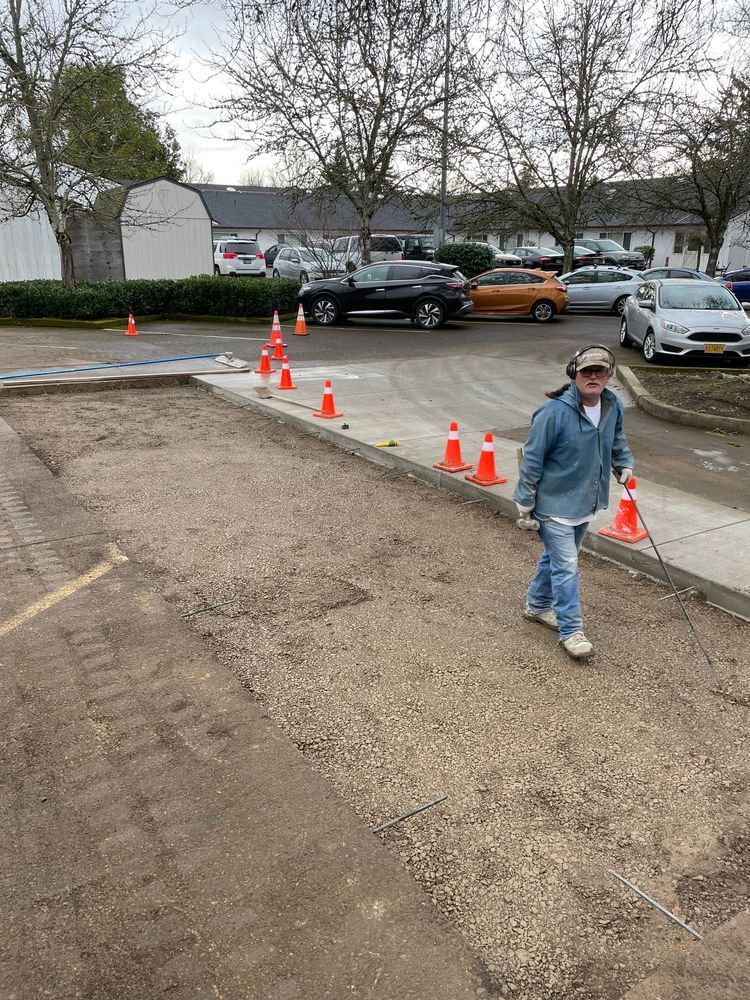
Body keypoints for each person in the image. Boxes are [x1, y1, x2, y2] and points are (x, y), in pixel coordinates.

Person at [513, 345, 634, 659]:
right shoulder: (552, 413)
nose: (593, 376)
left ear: (609, 375)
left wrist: (623, 463)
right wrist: (525, 502)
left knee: (556, 560)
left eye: (600, 371)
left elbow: (617, 439)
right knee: (567, 567)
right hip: (553, 505)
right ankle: (571, 631)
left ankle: (537, 606)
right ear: (574, 374)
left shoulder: (611, 405)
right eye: (586, 371)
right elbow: (532, 459)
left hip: (585, 502)